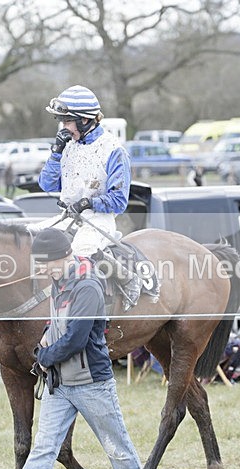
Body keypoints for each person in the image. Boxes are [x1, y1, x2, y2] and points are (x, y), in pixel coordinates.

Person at [0, 228, 153, 469]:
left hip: (91, 384)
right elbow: (58, 324)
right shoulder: (60, 281)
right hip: (60, 385)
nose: (40, 270)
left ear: (62, 257)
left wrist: (43, 357)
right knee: (43, 448)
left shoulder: (88, 286)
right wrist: (43, 338)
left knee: (117, 448)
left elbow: (76, 339)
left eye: (43, 263)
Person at [28, 85, 142, 308]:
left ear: (86, 120)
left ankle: (126, 280)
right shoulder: (68, 146)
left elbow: (119, 201)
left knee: (80, 252)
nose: (64, 128)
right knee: (29, 236)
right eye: (62, 122)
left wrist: (88, 202)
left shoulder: (113, 149)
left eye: (68, 121)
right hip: (67, 217)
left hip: (98, 219)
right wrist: (56, 153)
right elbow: (46, 183)